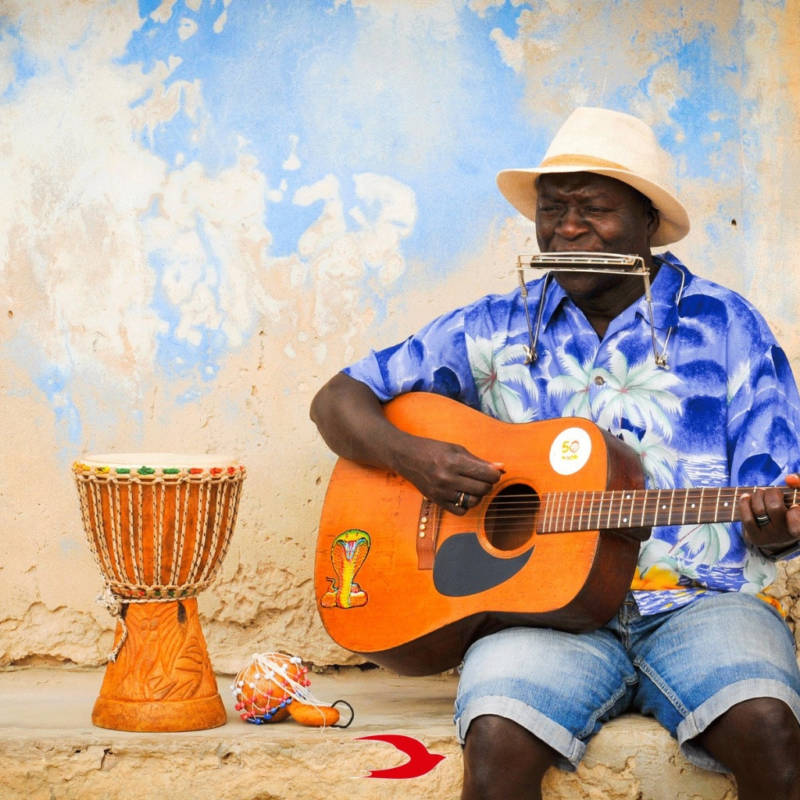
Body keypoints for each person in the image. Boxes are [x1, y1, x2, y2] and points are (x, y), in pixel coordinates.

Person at [310, 107, 800, 799]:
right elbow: (338, 400)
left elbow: (773, 502)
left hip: (699, 606)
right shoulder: (495, 324)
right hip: (536, 617)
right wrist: (416, 457)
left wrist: (775, 528)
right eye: (553, 210)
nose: (568, 229)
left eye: (593, 209)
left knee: (770, 729)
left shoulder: (727, 328)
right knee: (498, 740)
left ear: (646, 222)